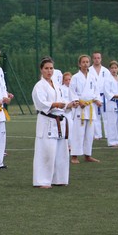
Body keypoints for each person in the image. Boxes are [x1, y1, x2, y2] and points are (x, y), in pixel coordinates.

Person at [32, 57, 73, 188]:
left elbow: (62, 101)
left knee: (62, 152)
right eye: (46, 68)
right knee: (46, 152)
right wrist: (55, 104)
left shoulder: (56, 84)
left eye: (51, 68)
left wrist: (69, 105)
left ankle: (59, 179)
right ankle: (42, 181)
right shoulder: (39, 86)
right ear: (41, 70)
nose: (49, 71)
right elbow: (41, 103)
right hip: (47, 121)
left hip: (59, 121)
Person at [69, 54, 101, 164]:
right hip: (80, 107)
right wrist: (78, 101)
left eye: (87, 62)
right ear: (79, 64)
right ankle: (74, 155)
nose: (85, 64)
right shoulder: (75, 77)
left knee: (90, 133)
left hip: (90, 107)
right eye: (83, 62)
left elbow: (96, 91)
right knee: (78, 133)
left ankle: (88, 155)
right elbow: (72, 92)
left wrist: (97, 100)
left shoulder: (92, 77)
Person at [103, 60, 118, 147]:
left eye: (115, 68)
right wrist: (116, 96)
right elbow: (106, 92)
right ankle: (112, 141)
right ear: (109, 69)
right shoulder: (107, 79)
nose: (114, 70)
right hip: (112, 103)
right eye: (112, 68)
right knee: (112, 123)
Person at [91, 51, 110, 140]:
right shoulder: (89, 70)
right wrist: (95, 98)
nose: (97, 60)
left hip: (105, 96)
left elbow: (108, 84)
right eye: (95, 58)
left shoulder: (106, 71)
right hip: (94, 97)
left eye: (98, 58)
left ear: (101, 59)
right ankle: (97, 135)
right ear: (92, 59)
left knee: (106, 117)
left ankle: (107, 134)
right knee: (95, 117)